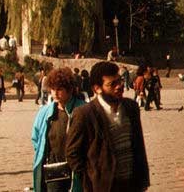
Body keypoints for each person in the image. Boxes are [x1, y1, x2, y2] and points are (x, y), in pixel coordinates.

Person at [66, 61, 150, 192]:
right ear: (97, 88)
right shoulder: (85, 114)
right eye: (112, 84)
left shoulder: (131, 107)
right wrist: (91, 177)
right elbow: (72, 154)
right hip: (103, 186)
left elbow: (139, 145)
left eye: (120, 81)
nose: (119, 86)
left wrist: (143, 179)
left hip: (131, 184)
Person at [31, 68, 87, 192]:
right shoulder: (44, 112)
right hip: (53, 169)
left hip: (77, 169)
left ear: (70, 89)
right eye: (53, 89)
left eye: (60, 89)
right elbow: (36, 138)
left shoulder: (83, 110)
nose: (55, 93)